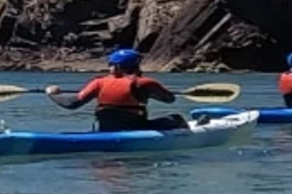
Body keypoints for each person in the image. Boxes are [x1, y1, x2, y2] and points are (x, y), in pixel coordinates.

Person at [44, 48, 188, 132]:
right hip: (137, 129)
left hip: (106, 129)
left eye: (111, 65)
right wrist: (148, 94)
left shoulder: (99, 82)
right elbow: (169, 99)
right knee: (176, 118)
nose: (109, 68)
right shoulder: (145, 83)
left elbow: (71, 104)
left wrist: (52, 94)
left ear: (117, 67)